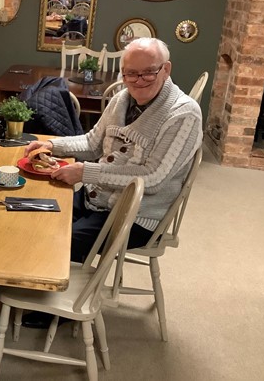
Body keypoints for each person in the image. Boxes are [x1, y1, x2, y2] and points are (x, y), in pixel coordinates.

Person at [22, 37, 202, 328]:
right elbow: (93, 144)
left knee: (60, 240)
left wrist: (85, 173)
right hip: (98, 197)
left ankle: (56, 310)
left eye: (148, 72)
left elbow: (154, 179)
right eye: (130, 73)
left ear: (166, 69)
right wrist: (53, 146)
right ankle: (38, 280)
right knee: (40, 218)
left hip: (137, 217)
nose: (138, 80)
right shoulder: (122, 99)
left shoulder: (184, 113)